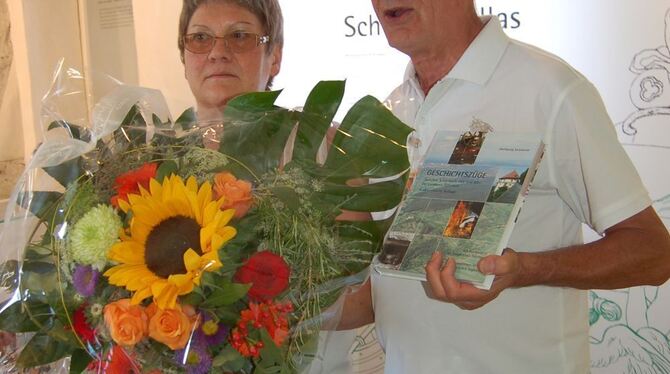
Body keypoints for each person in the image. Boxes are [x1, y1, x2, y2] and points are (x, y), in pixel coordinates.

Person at [338, 0, 670, 372]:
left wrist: (525, 269)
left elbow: (654, 252)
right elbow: (381, 295)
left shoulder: (550, 90)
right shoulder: (388, 113)